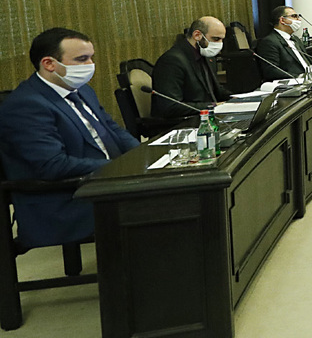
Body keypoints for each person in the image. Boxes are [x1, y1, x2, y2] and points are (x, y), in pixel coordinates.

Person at [0, 28, 140, 246]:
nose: (90, 65)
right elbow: (52, 165)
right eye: (82, 59)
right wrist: (116, 167)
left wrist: (143, 156)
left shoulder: (83, 90)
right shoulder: (25, 105)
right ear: (49, 63)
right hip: (65, 200)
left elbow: (114, 130)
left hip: (101, 183)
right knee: (163, 204)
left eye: (91, 57)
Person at [152, 17, 230, 121]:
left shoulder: (206, 55)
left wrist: (238, 99)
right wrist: (214, 105)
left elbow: (215, 91)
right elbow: (170, 107)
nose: (220, 44)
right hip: (184, 122)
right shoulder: (172, 61)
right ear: (197, 35)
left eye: (222, 39)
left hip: (208, 117)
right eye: (216, 39)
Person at [256, 5, 311, 81]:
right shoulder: (269, 41)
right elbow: (271, 70)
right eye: (294, 16)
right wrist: (299, 77)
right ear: (282, 20)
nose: (299, 19)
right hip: (293, 82)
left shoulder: (295, 39)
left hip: (309, 79)